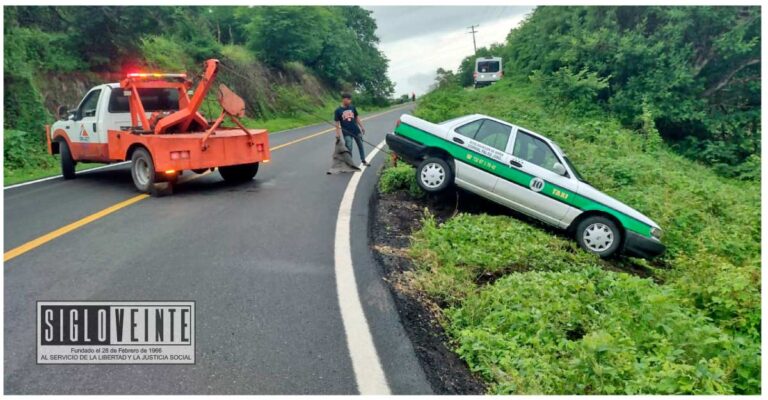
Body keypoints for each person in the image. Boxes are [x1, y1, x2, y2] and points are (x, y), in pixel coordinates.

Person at [334, 93, 367, 166]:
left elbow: (357, 117)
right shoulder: (338, 111)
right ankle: (349, 163)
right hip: (346, 132)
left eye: (350, 99)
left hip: (356, 130)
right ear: (343, 99)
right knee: (349, 147)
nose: (349, 101)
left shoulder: (352, 107)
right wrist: (337, 134)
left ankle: (363, 160)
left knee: (360, 145)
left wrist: (362, 127)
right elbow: (337, 123)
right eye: (348, 99)